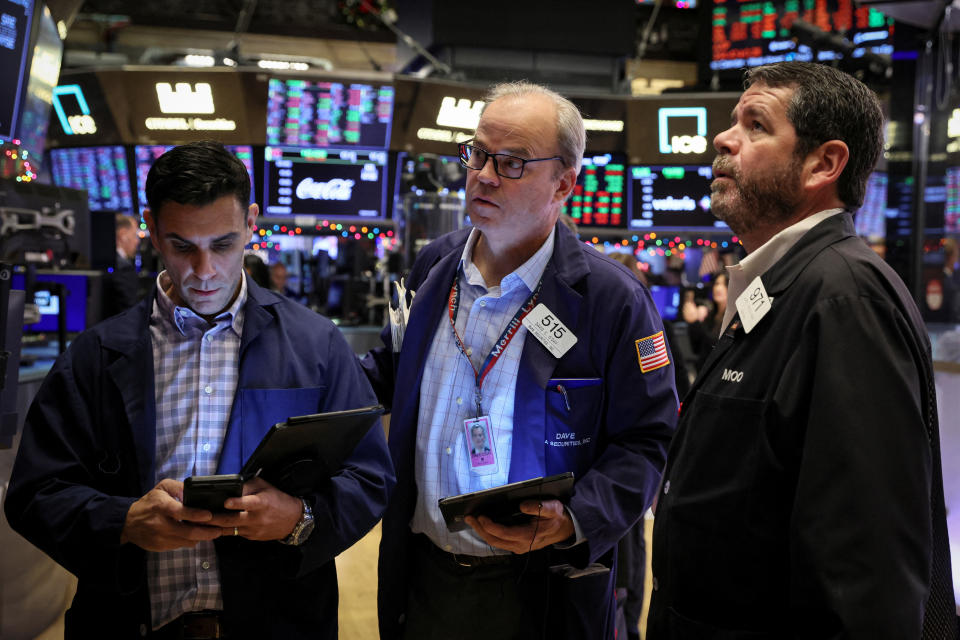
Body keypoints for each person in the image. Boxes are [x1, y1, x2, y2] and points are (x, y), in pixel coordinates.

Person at [4, 141, 394, 639]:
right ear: (152, 229)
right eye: (183, 246)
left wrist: (301, 517)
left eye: (224, 244)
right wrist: (122, 521)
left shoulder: (316, 345)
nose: (204, 270)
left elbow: (371, 476)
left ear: (251, 222)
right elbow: (35, 493)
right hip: (133, 622)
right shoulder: (96, 356)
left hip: (278, 621)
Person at [648, 62, 957, 638]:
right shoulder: (786, 283)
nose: (723, 137)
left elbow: (868, 572)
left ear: (824, 163)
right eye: (733, 121)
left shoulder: (845, 297)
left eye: (756, 124)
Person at [362, 81, 677, 640]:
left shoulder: (611, 300)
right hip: (425, 574)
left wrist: (577, 516)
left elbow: (648, 439)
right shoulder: (435, 266)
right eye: (478, 153)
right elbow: (387, 371)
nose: (483, 174)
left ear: (563, 185)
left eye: (511, 163)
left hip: (541, 586)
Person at [102, 213, 142, 318]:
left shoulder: (98, 262)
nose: (137, 241)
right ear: (123, 235)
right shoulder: (124, 268)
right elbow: (129, 312)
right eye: (134, 235)